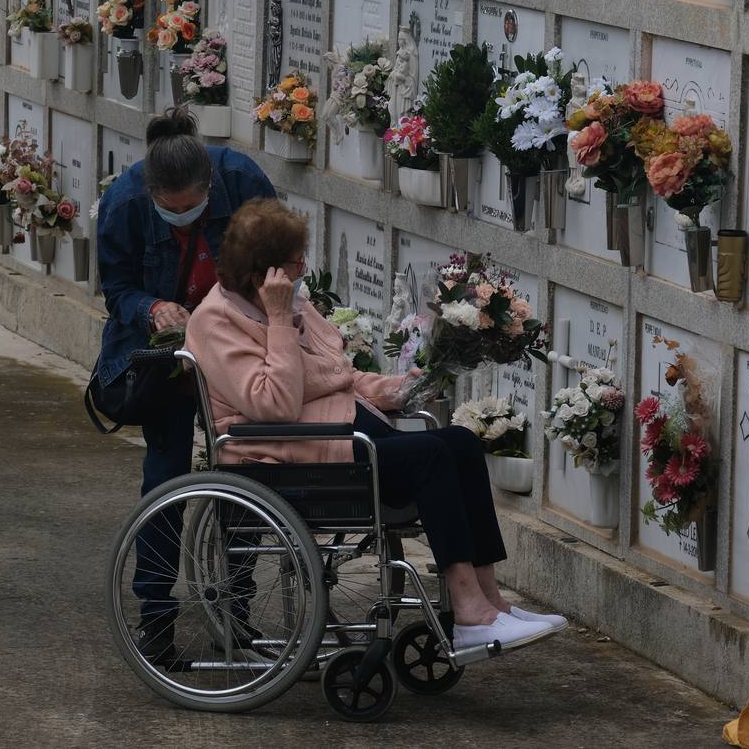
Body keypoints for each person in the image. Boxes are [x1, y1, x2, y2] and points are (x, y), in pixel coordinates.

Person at [184, 199, 567, 652]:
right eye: (294, 262)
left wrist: (392, 388)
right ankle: (468, 612)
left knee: (462, 442)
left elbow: (334, 373)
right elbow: (277, 401)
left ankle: (491, 602)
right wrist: (281, 319)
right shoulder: (217, 321)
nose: (303, 268)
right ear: (262, 273)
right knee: (431, 456)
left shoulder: (287, 303)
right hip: (292, 454)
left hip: (342, 436)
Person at [92, 106, 275, 666]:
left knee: (242, 470)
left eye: (191, 207)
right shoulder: (124, 203)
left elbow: (280, 266)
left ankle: (237, 609)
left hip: (237, 345)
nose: (180, 217)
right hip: (165, 356)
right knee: (165, 475)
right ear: (149, 192)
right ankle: (155, 617)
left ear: (210, 186)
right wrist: (152, 308)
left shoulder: (244, 181)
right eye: (167, 212)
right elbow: (118, 288)